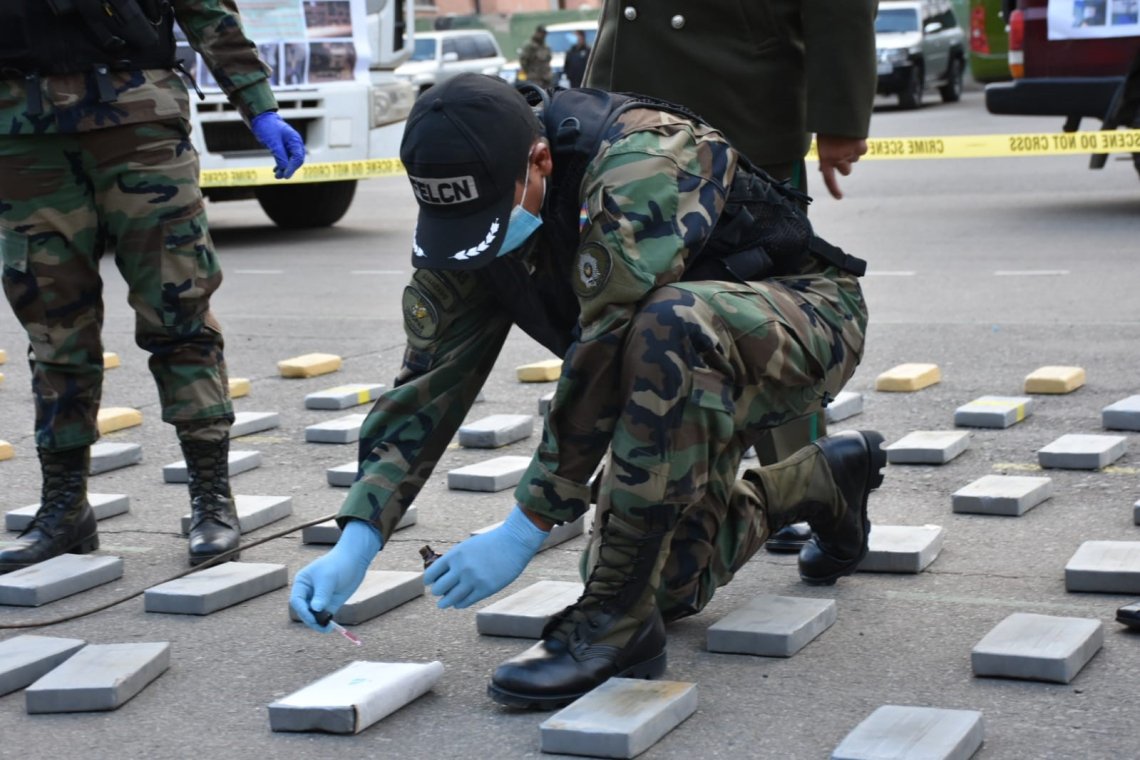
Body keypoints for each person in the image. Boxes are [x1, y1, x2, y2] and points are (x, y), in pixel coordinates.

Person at [290, 73, 882, 709]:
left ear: (540, 159)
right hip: (683, 372)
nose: (481, 234)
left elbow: (605, 355)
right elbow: (429, 379)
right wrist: (360, 530)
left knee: (664, 326)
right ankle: (821, 481)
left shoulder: (642, 160)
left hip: (801, 323)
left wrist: (525, 526)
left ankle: (614, 623)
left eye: (490, 214)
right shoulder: (479, 204)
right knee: (673, 583)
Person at [0, 0, 305, 574]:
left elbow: (207, 10)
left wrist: (258, 107)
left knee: (178, 310)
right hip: (21, 133)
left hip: (137, 121)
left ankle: (213, 501)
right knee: (51, 322)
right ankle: (64, 508)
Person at [584, 0, 878, 555]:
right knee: (646, 315)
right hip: (629, 119)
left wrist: (839, 116)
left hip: (737, 109)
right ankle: (669, 497)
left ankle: (807, 486)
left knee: (758, 312)